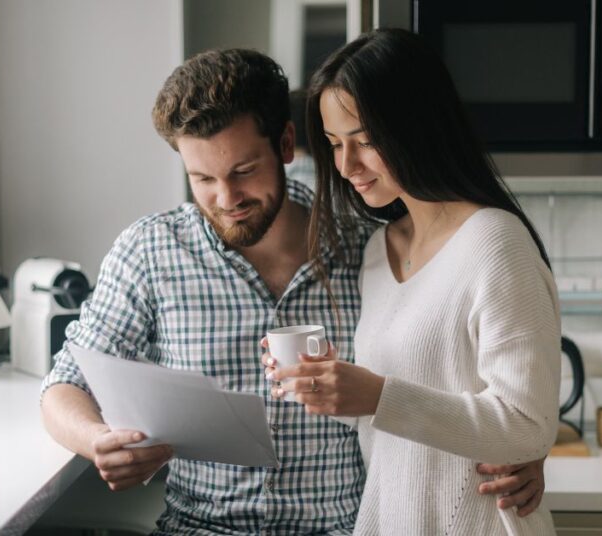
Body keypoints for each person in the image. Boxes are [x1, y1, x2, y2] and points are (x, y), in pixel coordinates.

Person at [40, 47, 547, 535]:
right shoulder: (151, 251)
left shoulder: (365, 245)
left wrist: (527, 445)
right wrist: (97, 440)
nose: (226, 198)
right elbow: (66, 382)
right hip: (201, 529)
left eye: (243, 172)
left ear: (285, 144)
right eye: (201, 178)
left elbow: (467, 376)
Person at [267, 29, 562, 534]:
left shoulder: (495, 242)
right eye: (336, 145)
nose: (346, 165)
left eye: (364, 142)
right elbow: (398, 422)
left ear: (415, 127)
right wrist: (330, 388)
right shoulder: (378, 251)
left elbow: (528, 426)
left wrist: (378, 395)